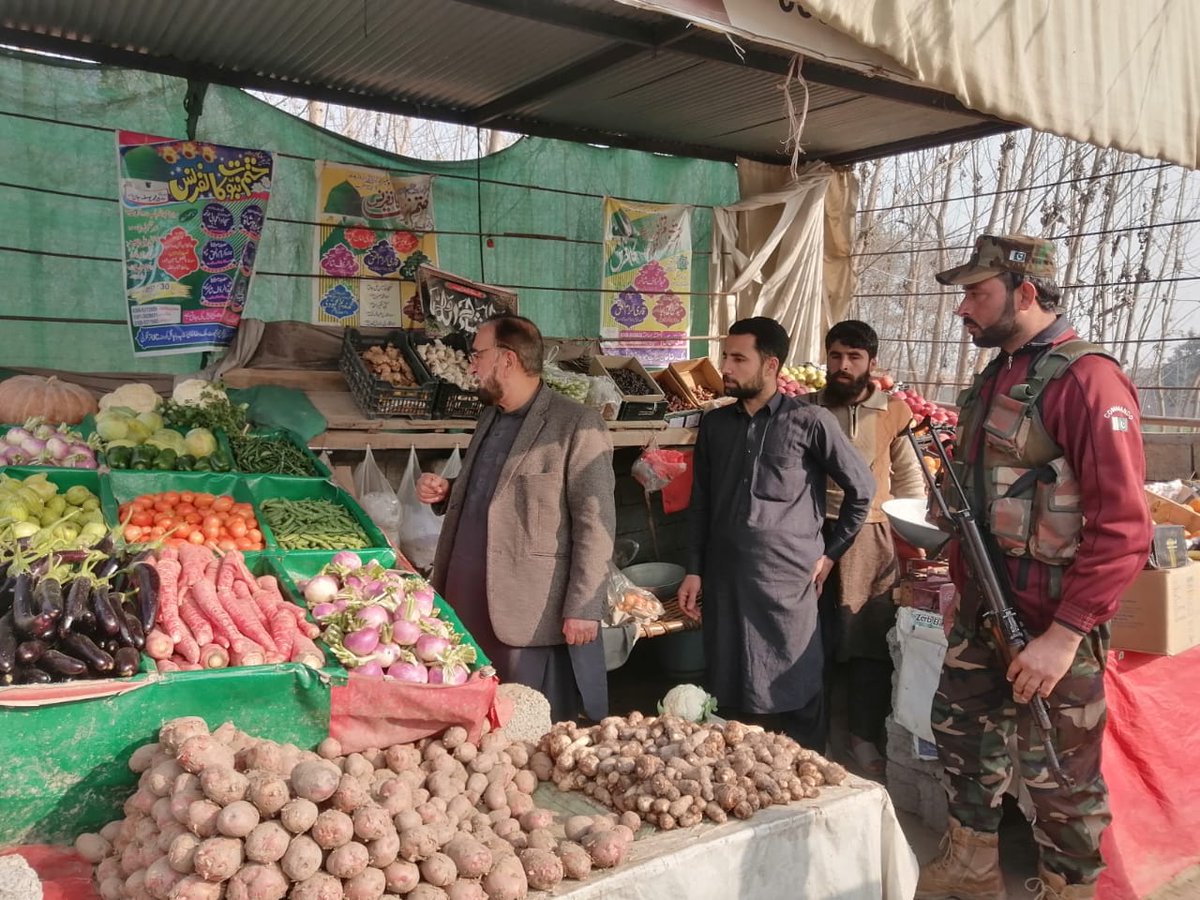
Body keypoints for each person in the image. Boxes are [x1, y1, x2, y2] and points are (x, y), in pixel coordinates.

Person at [916, 235, 1153, 900]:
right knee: (961, 740)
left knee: (1059, 781)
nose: (962, 308)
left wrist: (1066, 634)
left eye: (976, 292)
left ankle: (1070, 889)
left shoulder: (1088, 380)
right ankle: (971, 868)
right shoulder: (996, 377)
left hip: (1051, 626)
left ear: (1024, 293)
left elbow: (1124, 526)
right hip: (982, 612)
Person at [678, 316, 874, 751]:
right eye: (725, 356)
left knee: (795, 685)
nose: (726, 367)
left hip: (787, 583)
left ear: (770, 365)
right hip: (726, 581)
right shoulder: (716, 425)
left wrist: (831, 554)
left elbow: (863, 490)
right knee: (729, 686)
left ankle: (809, 786)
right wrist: (694, 569)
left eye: (737, 359)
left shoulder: (811, 420)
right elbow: (701, 502)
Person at [416, 314, 616, 723]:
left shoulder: (576, 424)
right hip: (467, 598)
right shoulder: (490, 416)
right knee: (474, 717)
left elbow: (596, 523)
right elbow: (500, 487)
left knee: (528, 723)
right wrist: (449, 490)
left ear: (507, 360)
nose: (472, 365)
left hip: (527, 612)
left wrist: (585, 605)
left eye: (478, 355)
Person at [815, 319, 926, 776]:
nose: (843, 366)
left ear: (871, 363)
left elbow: (909, 475)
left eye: (854, 358)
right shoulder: (806, 407)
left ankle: (862, 736)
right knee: (811, 638)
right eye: (836, 356)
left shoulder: (894, 412)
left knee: (868, 639)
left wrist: (916, 531)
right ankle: (813, 735)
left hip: (873, 536)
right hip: (811, 534)